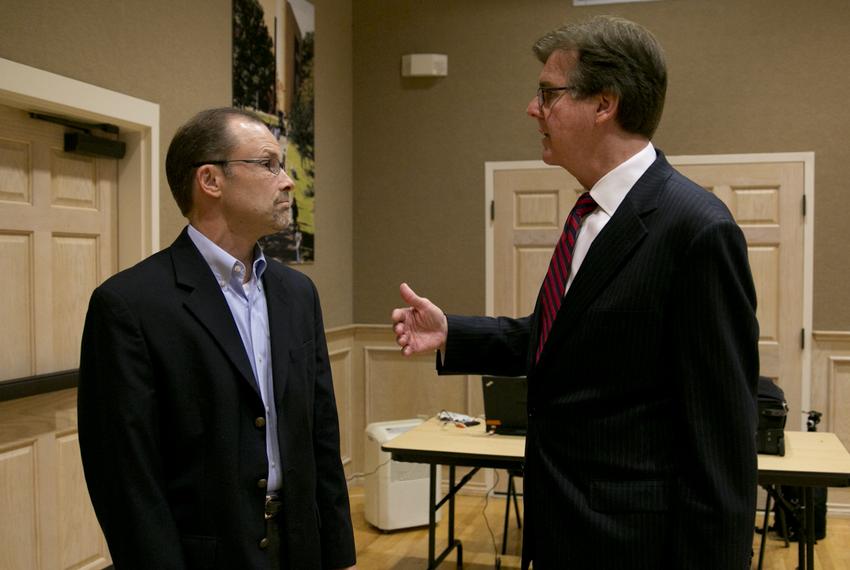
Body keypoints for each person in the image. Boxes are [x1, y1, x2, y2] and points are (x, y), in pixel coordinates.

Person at [392, 16, 759, 569]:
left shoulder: (696, 229)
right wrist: (453, 333)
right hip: (563, 526)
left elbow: (722, 441)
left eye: (548, 93)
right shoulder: (589, 215)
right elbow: (554, 340)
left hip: (635, 545)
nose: (532, 109)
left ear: (604, 103)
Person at [78, 107, 356, 570]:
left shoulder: (297, 294)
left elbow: (320, 435)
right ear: (210, 180)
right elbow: (126, 481)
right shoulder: (129, 305)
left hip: (300, 548)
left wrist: (339, 553)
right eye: (268, 164)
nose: (287, 181)